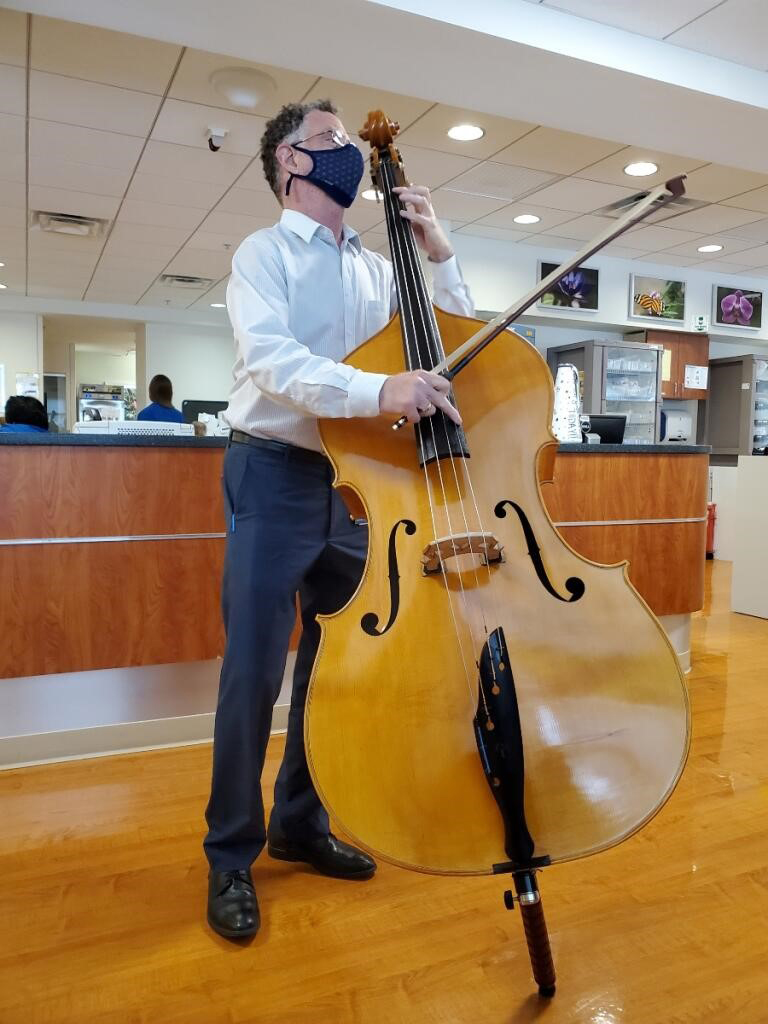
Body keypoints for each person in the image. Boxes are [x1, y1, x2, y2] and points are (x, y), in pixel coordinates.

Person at [204, 99, 474, 940]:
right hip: (274, 473)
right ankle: (229, 856)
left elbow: (448, 346)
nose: (349, 151)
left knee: (337, 671)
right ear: (289, 160)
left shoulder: (375, 264)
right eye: (330, 139)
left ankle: (299, 823)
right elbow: (274, 363)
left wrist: (441, 255)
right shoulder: (262, 254)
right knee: (254, 671)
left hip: (356, 486)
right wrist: (378, 391)